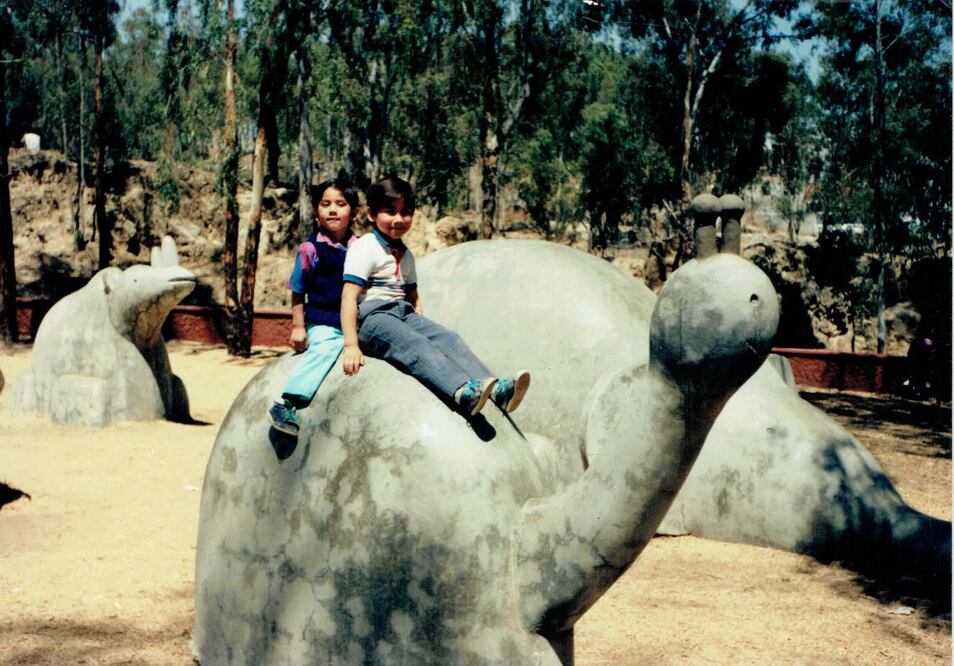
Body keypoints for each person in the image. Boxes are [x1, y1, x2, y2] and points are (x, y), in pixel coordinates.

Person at [340, 175, 529, 416]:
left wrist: (421, 323)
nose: (399, 219)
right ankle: (462, 392)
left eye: (406, 212)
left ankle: (496, 391)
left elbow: (413, 296)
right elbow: (348, 297)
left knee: (449, 338)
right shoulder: (365, 247)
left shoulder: (405, 254)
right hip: (373, 320)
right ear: (371, 214)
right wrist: (351, 345)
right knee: (414, 344)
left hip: (402, 313)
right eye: (390, 211)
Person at [268, 178, 359, 436]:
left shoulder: (360, 248)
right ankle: (288, 403)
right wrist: (298, 326)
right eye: (325, 204)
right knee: (324, 349)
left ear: (354, 212)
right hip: (324, 321)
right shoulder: (310, 249)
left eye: (340, 204)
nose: (332, 210)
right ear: (316, 210)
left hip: (354, 321)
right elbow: (298, 289)